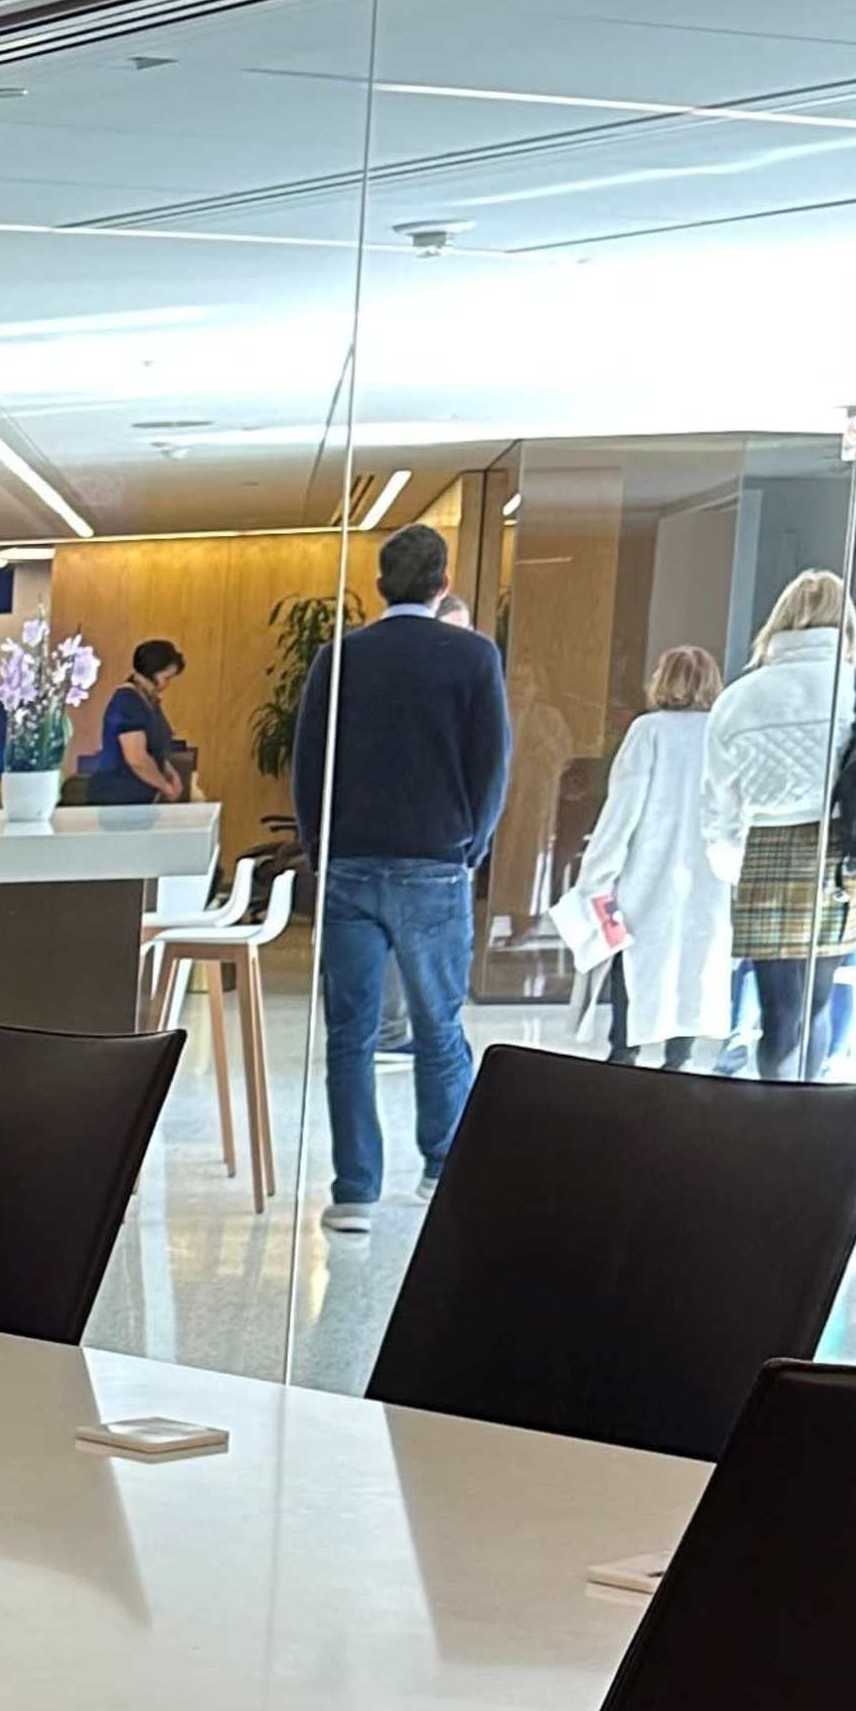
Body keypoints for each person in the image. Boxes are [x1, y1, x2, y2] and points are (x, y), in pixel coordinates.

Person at [286, 519, 511, 1232]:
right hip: (436, 863)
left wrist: (319, 847)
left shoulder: (338, 657)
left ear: (378, 585)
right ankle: (442, 1169)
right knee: (439, 1025)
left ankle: (355, 1189)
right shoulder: (474, 658)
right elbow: (492, 763)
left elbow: (308, 764)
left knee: (351, 1033)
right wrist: (471, 845)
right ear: (443, 583)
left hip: (351, 861)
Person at [706, 570, 856, 1086]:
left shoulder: (741, 695)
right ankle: (807, 1116)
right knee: (817, 1002)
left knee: (778, 1007)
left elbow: (719, 794)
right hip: (837, 851)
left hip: (763, 850)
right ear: (843, 623)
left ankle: (776, 1117)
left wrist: (725, 856)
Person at [569, 645, 731, 1066]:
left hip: (647, 873)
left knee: (636, 970)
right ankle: (678, 1064)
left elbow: (623, 808)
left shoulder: (648, 731)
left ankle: (624, 1059)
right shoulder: (722, 734)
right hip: (707, 878)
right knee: (694, 970)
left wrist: (597, 875)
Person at [77, 637, 194, 806]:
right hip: (117, 799)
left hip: (139, 799)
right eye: (166, 678)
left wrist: (169, 772)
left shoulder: (148, 700)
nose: (167, 684)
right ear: (152, 672)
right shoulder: (127, 701)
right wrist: (165, 786)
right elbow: (136, 758)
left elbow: (153, 749)